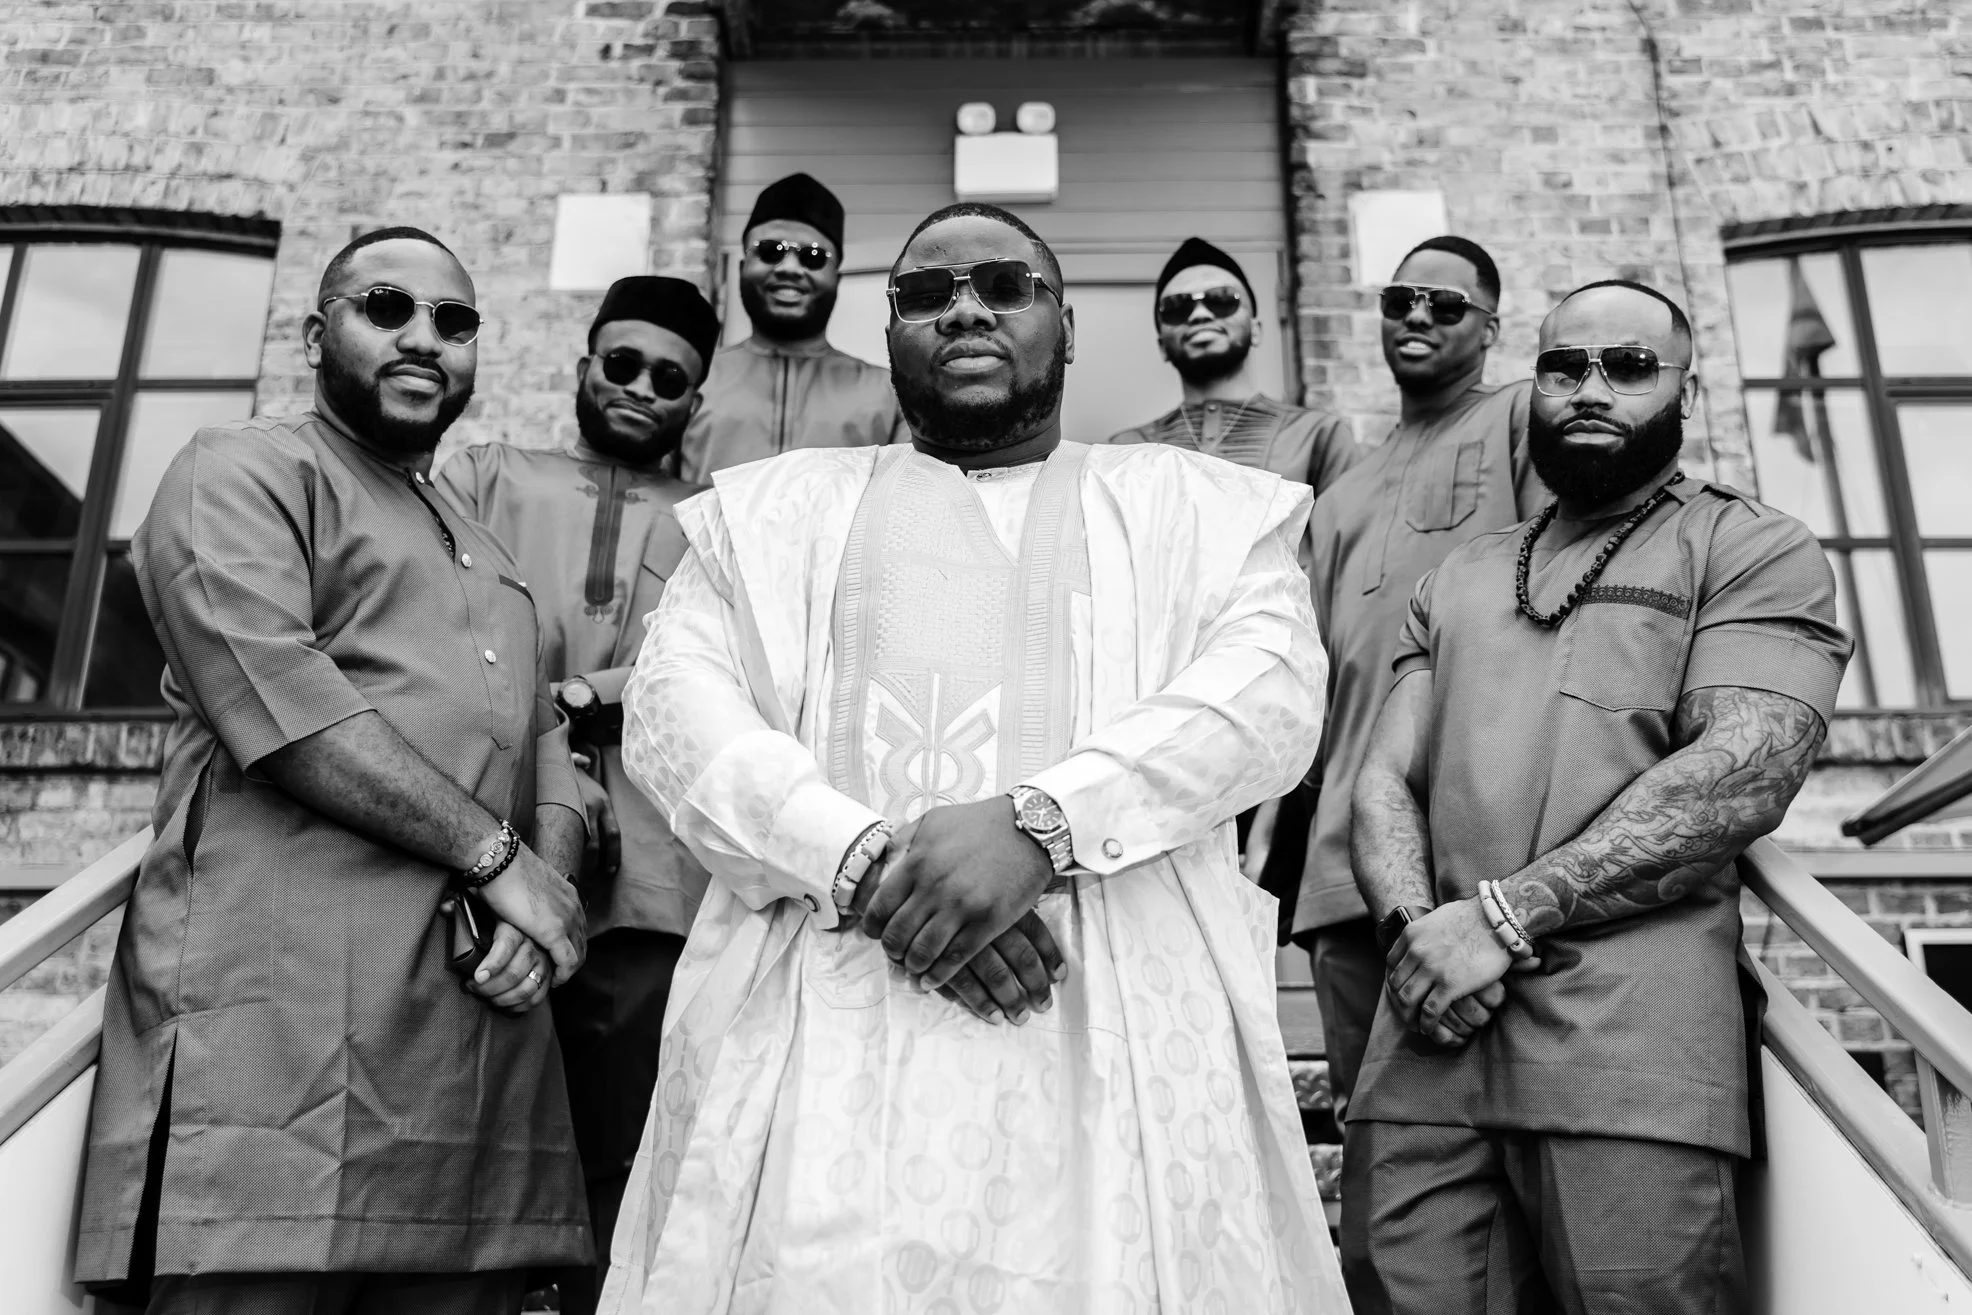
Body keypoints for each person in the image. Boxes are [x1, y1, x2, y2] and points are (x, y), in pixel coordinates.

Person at [601, 202, 1348, 1313]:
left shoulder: (1194, 508)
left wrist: (1043, 825)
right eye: (924, 293)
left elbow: (1269, 692)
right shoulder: (772, 512)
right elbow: (674, 708)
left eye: (1004, 286)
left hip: (1112, 1031)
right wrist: (861, 861)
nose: (964, 310)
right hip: (819, 1024)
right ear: (890, 330)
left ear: (1067, 327)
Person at [73, 227, 593, 1314]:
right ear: (316, 335)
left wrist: (541, 900)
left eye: (455, 321)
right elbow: (277, 696)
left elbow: (545, 740)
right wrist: (496, 857)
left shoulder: (488, 551)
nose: (425, 339)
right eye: (387, 308)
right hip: (272, 1053)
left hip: (471, 1068)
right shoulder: (242, 469)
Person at [1348, 279, 1852, 1313]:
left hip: (1628, 1057)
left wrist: (1502, 918)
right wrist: (1416, 939)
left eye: (1627, 367)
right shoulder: (1458, 576)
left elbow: (1744, 770)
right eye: (1562, 366)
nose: (1589, 387)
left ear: (1685, 392)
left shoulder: (1750, 547)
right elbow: (1384, 778)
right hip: (1428, 1045)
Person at [1260, 234, 1545, 1310]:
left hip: (1484, 849)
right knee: (1383, 1154)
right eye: (1399, 299)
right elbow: (1306, 685)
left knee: (1509, 1155)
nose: (1416, 316)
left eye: (1445, 302)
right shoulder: (1338, 496)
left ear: (1490, 327)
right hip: (1343, 872)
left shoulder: (1520, 421)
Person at [435, 274, 719, 1315]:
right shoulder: (483, 473)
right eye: (623, 364)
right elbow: (436, 610)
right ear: (584, 366)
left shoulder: (723, 519)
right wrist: (551, 741)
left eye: (668, 378)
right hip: (485, 834)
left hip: (651, 871)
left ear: (696, 401)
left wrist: (585, 694)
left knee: (624, 1142)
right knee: (463, 1120)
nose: (640, 388)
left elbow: (724, 660)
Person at [681, 171, 906, 480]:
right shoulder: (691, 382)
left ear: (836, 278)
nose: (789, 268)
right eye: (770, 251)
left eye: (813, 256)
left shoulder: (889, 396)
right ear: (742, 267)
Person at [1109, 237, 1359, 494]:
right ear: (1162, 345)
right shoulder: (1126, 450)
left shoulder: (1318, 436)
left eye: (1222, 300)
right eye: (1177, 307)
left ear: (1256, 329)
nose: (1200, 315)